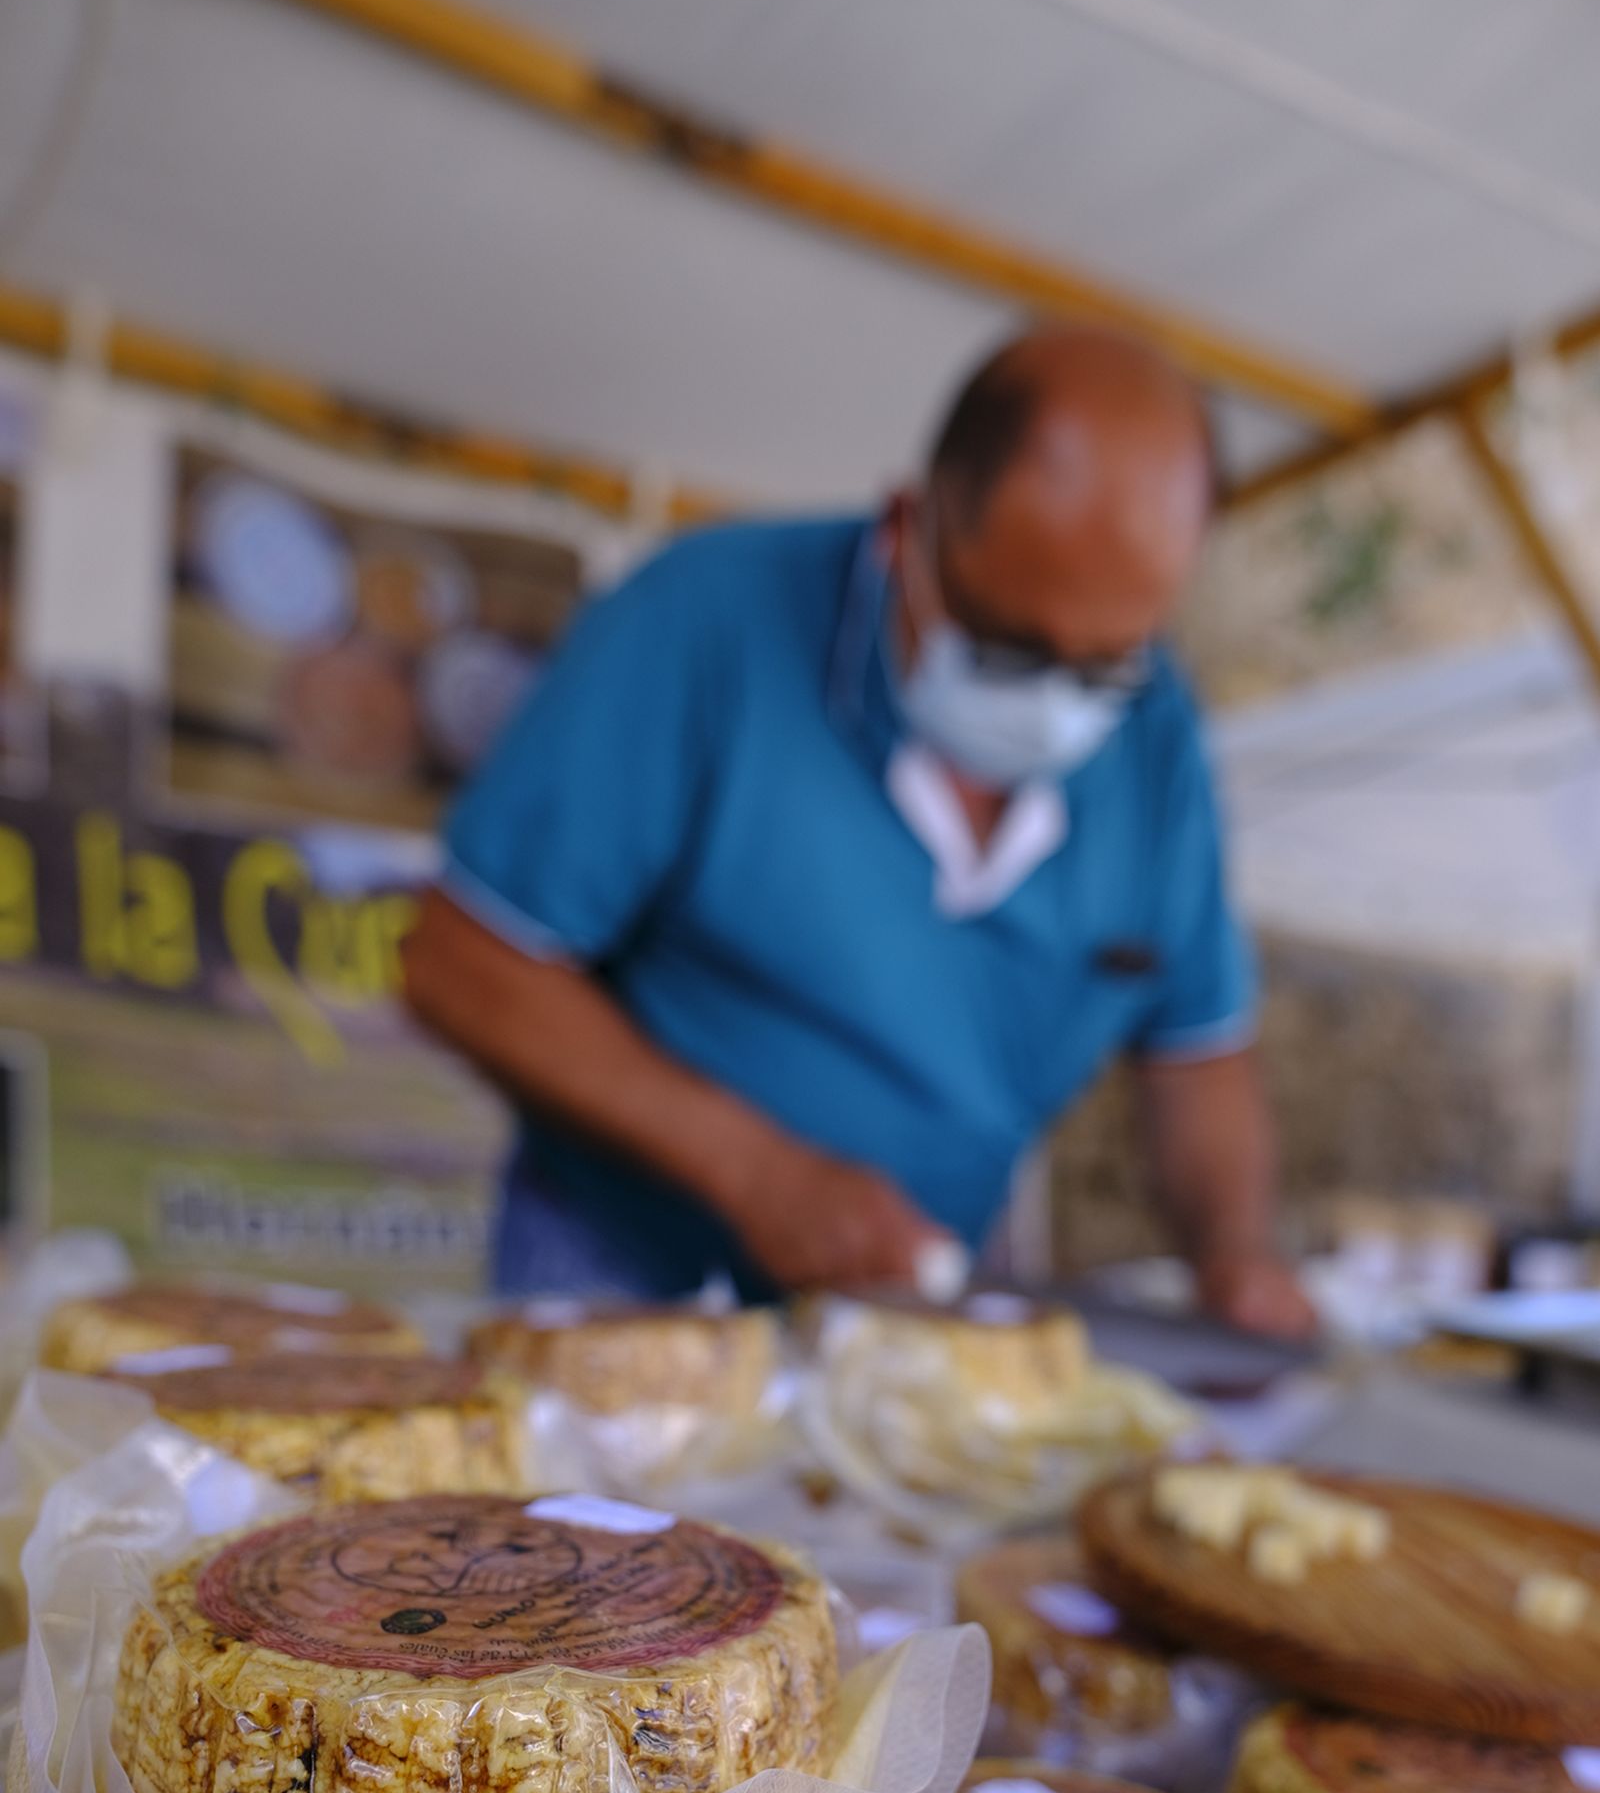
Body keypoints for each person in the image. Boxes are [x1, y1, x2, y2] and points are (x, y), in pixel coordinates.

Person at [403, 324, 1314, 1336]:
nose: (1056, 706)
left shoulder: (1158, 740)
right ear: (903, 530)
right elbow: (463, 960)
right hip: (623, 1283)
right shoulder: (702, 623)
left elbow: (1197, 1050)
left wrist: (1235, 1256)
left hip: (913, 1307)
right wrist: (761, 1173)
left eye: (1105, 665)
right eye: (1011, 648)